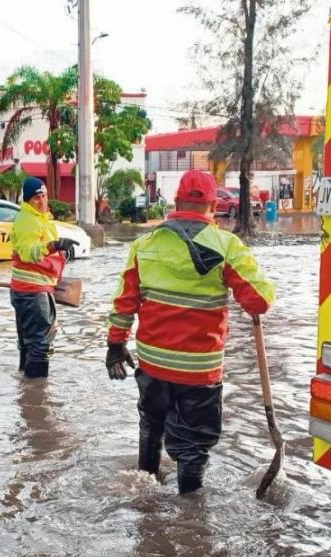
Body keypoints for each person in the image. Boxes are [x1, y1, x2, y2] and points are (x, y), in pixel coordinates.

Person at [105, 169, 275, 494]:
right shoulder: (227, 246)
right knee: (193, 446)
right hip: (199, 372)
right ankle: (190, 518)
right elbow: (261, 300)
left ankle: (146, 498)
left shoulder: (145, 244)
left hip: (153, 365)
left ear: (176, 201)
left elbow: (124, 303)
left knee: (151, 427)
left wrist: (115, 344)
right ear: (213, 205)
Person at [10, 177, 78, 380]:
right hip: (34, 292)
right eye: (36, 198)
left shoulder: (38, 218)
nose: (42, 201)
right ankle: (38, 398)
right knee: (40, 345)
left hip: (29, 290)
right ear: (28, 200)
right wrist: (53, 247)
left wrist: (59, 253)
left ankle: (26, 391)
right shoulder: (29, 221)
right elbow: (27, 252)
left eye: (44, 195)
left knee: (29, 343)